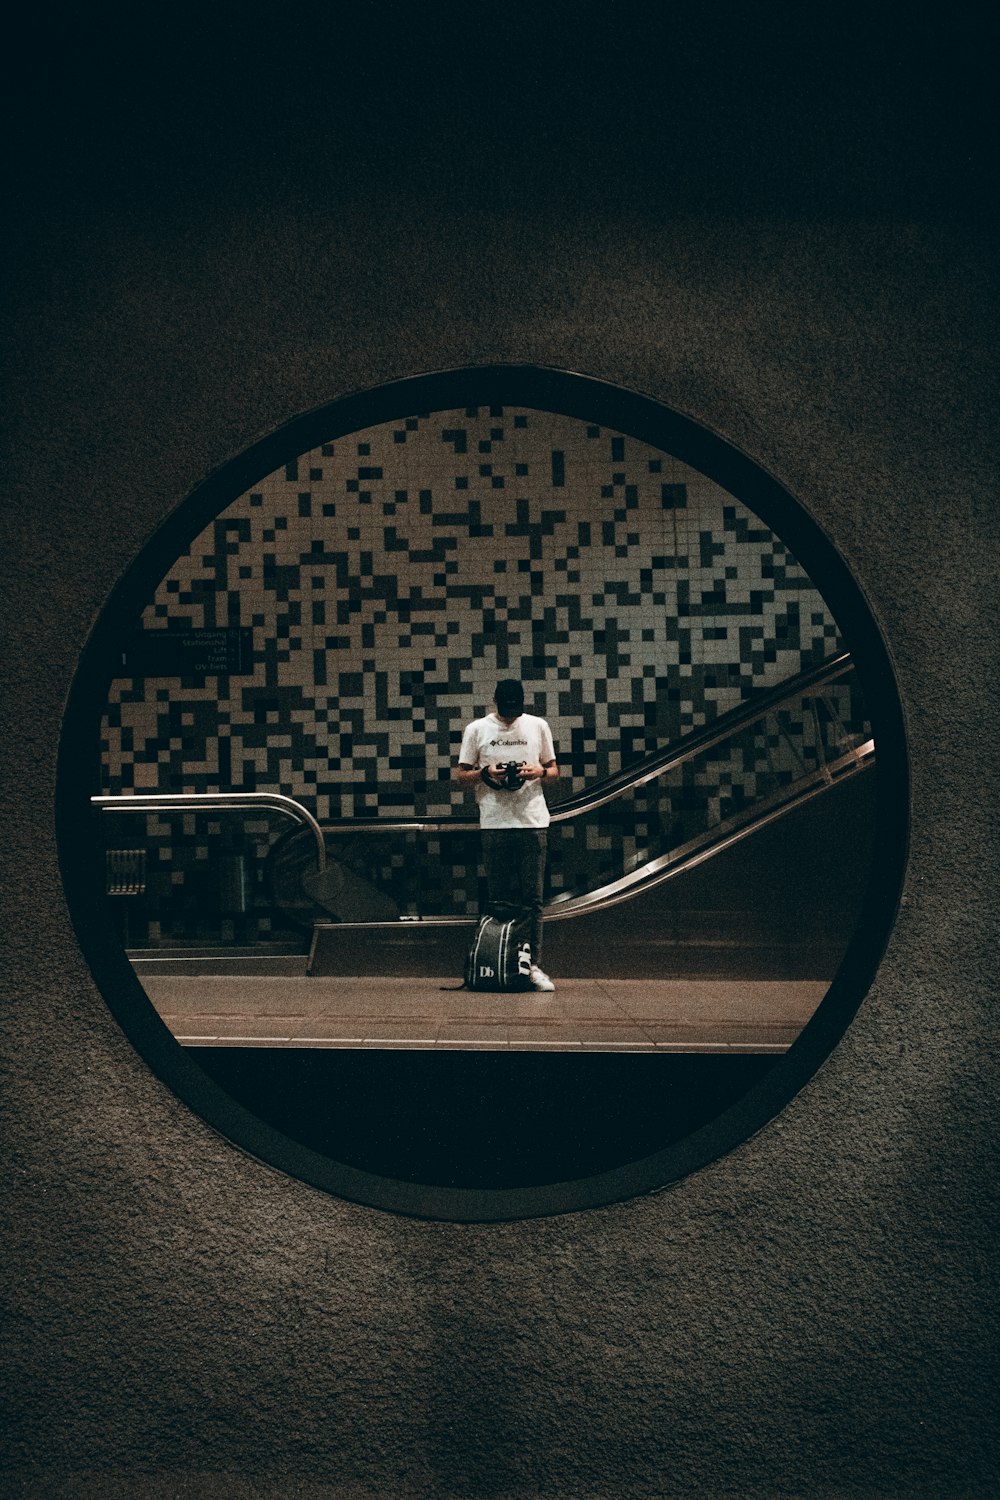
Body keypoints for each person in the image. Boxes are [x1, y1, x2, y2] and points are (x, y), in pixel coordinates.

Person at [456, 678, 559, 992]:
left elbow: (554, 772)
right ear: (496, 702)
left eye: (516, 709)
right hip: (495, 824)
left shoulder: (537, 726)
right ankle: (497, 963)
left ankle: (530, 967)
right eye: (506, 709)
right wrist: (486, 774)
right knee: (498, 899)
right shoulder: (477, 729)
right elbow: (461, 777)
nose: (511, 715)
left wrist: (538, 772)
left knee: (532, 901)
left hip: (532, 822)